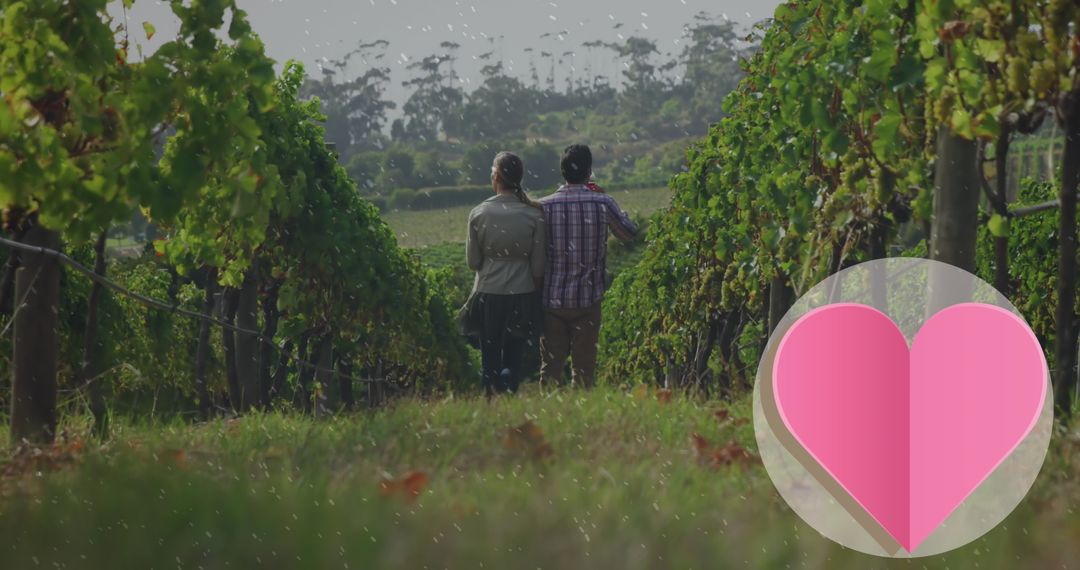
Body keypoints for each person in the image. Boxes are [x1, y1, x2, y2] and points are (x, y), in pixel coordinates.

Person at [539, 144, 638, 389]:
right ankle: (582, 419)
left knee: (550, 369)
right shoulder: (602, 202)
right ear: (589, 171)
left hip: (552, 299)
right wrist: (608, 200)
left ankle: (548, 418)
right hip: (588, 299)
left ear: (562, 171)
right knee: (584, 372)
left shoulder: (543, 206)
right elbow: (629, 233)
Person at [459, 152, 546, 396]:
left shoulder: (479, 213)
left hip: (488, 292)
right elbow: (539, 266)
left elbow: (473, 262)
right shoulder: (534, 215)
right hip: (522, 293)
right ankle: (509, 394)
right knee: (513, 354)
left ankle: (489, 399)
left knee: (490, 353)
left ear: (496, 176)